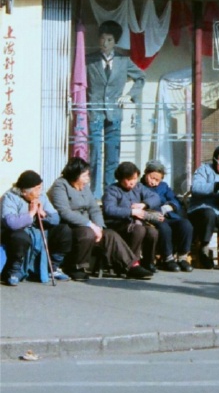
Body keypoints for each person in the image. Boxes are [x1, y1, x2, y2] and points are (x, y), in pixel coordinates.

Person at [47, 157, 153, 281]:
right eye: (85, 175)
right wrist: (90, 225)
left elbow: (94, 208)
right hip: (70, 225)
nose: (87, 179)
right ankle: (76, 267)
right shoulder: (60, 186)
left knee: (110, 235)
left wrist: (99, 226)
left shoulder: (84, 187)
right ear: (76, 175)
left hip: (89, 223)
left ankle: (131, 266)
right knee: (87, 233)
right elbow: (64, 212)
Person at [86, 20, 146, 198]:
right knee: (95, 153)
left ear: (115, 42)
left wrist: (129, 96)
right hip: (95, 112)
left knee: (112, 155)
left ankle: (109, 194)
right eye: (102, 39)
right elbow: (78, 80)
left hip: (115, 113)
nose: (105, 43)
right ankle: (94, 194)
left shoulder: (123, 60)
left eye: (109, 40)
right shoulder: (89, 60)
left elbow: (141, 77)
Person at [1, 171, 72, 286]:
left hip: (39, 230)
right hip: (19, 232)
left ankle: (52, 267)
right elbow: (11, 223)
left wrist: (43, 213)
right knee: (19, 237)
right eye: (37, 189)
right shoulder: (10, 197)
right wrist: (31, 213)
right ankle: (14, 271)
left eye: (40, 188)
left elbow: (55, 218)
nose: (40, 192)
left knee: (63, 230)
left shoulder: (41, 196)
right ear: (25, 192)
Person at [102, 161, 161, 274]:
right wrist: (131, 211)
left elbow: (155, 197)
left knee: (152, 232)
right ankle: (130, 264)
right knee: (138, 230)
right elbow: (109, 209)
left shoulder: (139, 187)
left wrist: (144, 204)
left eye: (134, 179)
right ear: (120, 179)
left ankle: (148, 262)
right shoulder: (112, 190)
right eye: (128, 180)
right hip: (118, 224)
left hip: (135, 224)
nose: (132, 182)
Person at [141, 160, 194, 272]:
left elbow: (174, 199)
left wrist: (169, 207)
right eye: (152, 178)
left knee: (186, 225)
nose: (154, 182)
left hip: (169, 215)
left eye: (157, 180)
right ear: (146, 173)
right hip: (153, 216)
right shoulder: (140, 187)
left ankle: (182, 257)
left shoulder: (164, 186)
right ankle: (167, 258)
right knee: (164, 228)